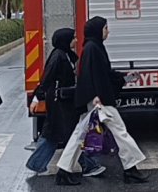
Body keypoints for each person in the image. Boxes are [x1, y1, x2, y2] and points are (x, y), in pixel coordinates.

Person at [56, 17, 148, 186]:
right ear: (98, 30)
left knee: (80, 134)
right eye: (106, 28)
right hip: (99, 101)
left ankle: (63, 170)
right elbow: (92, 75)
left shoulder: (93, 47)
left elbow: (102, 72)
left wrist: (122, 77)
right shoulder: (93, 48)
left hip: (95, 99)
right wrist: (97, 97)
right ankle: (130, 169)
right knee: (120, 132)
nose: (108, 31)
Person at [26, 28, 104, 177]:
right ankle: (88, 165)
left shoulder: (66, 55)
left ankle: (37, 163)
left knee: (58, 133)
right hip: (58, 102)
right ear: (65, 40)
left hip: (64, 101)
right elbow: (46, 80)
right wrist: (37, 98)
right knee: (69, 133)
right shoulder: (58, 57)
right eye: (73, 38)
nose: (75, 40)